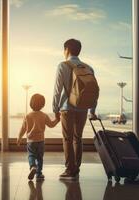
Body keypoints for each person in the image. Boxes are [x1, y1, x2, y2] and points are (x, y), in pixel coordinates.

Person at [53, 39, 98, 180]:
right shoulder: (88, 67)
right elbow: (93, 91)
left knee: (67, 138)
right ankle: (76, 168)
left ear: (66, 50)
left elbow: (57, 90)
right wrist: (92, 110)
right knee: (78, 138)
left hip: (67, 108)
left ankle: (69, 170)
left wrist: (55, 109)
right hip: (83, 108)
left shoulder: (63, 65)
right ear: (79, 50)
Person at [17, 93, 60, 180]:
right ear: (42, 105)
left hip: (31, 141)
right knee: (40, 158)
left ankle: (33, 166)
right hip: (40, 141)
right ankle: (39, 173)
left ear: (31, 104)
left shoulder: (28, 116)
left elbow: (23, 128)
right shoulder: (44, 115)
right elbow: (51, 125)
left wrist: (19, 137)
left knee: (31, 155)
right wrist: (57, 119)